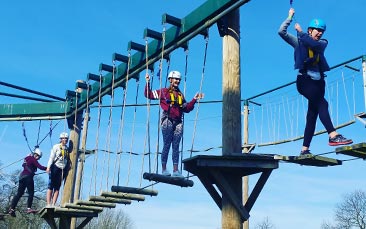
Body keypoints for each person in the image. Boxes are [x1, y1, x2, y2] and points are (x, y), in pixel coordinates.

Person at [278, 8, 353, 155]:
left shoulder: (322, 43)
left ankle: (304, 149)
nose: (319, 33)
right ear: (310, 30)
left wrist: (301, 32)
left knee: (312, 115)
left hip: (319, 83)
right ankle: (333, 135)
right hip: (304, 81)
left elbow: (314, 45)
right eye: (316, 30)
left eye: (321, 31)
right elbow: (281, 32)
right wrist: (289, 17)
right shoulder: (298, 42)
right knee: (323, 104)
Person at [144, 70, 204, 177]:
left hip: (178, 121)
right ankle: (164, 169)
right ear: (170, 80)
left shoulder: (180, 95)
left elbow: (186, 108)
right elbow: (148, 95)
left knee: (176, 146)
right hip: (167, 119)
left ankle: (176, 170)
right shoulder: (163, 92)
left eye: (178, 80)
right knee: (167, 144)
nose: (177, 81)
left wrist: (194, 99)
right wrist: (148, 82)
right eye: (175, 79)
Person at [8, 148, 47, 217]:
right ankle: (29, 208)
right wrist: (48, 168)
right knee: (31, 193)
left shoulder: (27, 158)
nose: (38, 158)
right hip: (28, 177)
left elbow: (23, 165)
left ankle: (12, 208)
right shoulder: (33, 159)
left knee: (19, 194)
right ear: (36, 155)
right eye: (38, 157)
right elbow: (40, 167)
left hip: (22, 177)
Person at [46, 132, 70, 207]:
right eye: (64, 138)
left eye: (66, 139)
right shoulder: (56, 147)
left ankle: (53, 204)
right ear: (60, 139)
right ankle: (48, 203)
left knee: (57, 187)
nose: (65, 140)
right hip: (55, 167)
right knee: (51, 186)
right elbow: (51, 157)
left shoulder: (67, 149)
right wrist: (48, 167)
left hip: (62, 169)